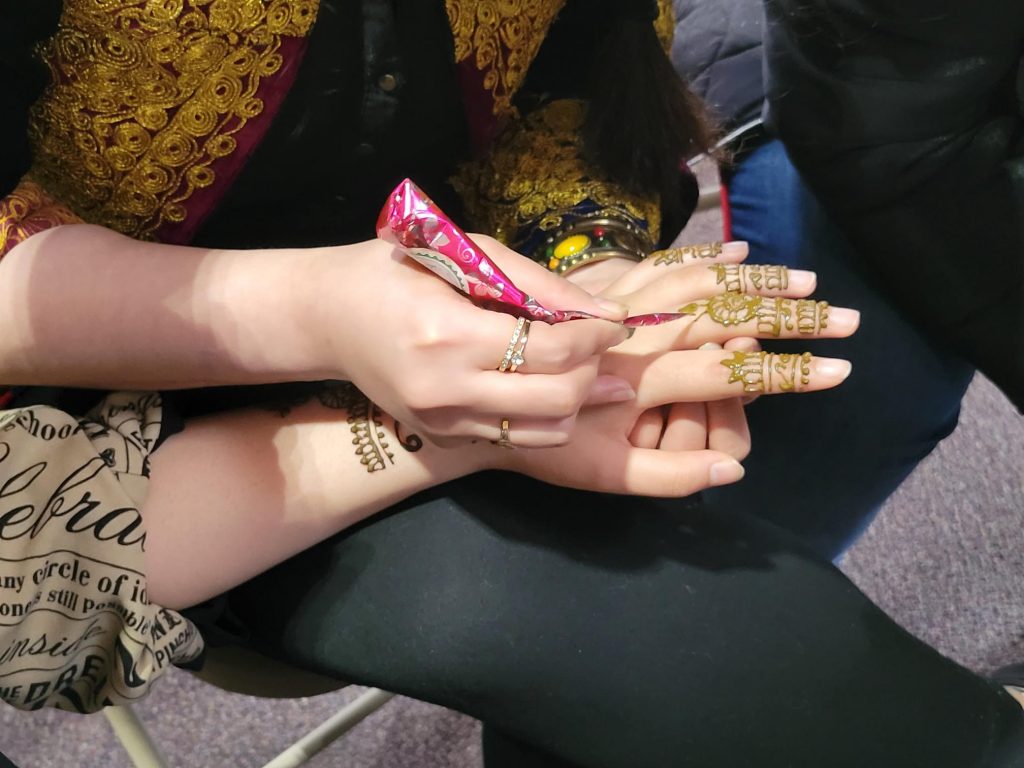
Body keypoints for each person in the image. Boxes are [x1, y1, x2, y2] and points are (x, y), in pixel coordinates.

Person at [0, 2, 1022, 766]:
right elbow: (41, 586)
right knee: (700, 641)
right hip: (123, 455)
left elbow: (569, 96)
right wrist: (414, 377)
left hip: (478, 309)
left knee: (849, 379)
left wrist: (582, 270)